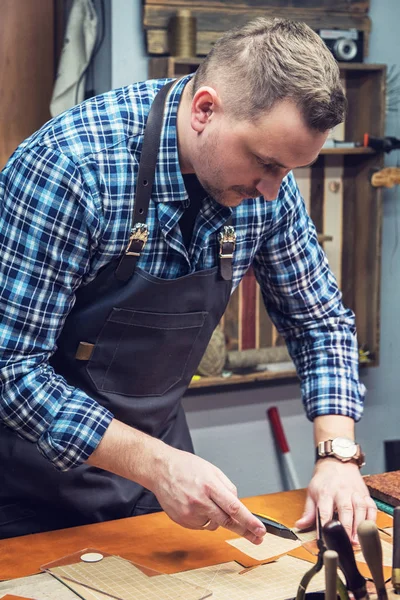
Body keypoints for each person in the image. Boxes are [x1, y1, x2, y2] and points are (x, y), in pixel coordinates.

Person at [0, 17, 376, 542]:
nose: (272, 192)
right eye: (265, 164)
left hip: (155, 487)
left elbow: (321, 322)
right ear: (204, 109)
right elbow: (12, 370)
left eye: (287, 171)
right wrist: (157, 464)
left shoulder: (266, 187)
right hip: (25, 494)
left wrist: (337, 455)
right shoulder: (70, 169)